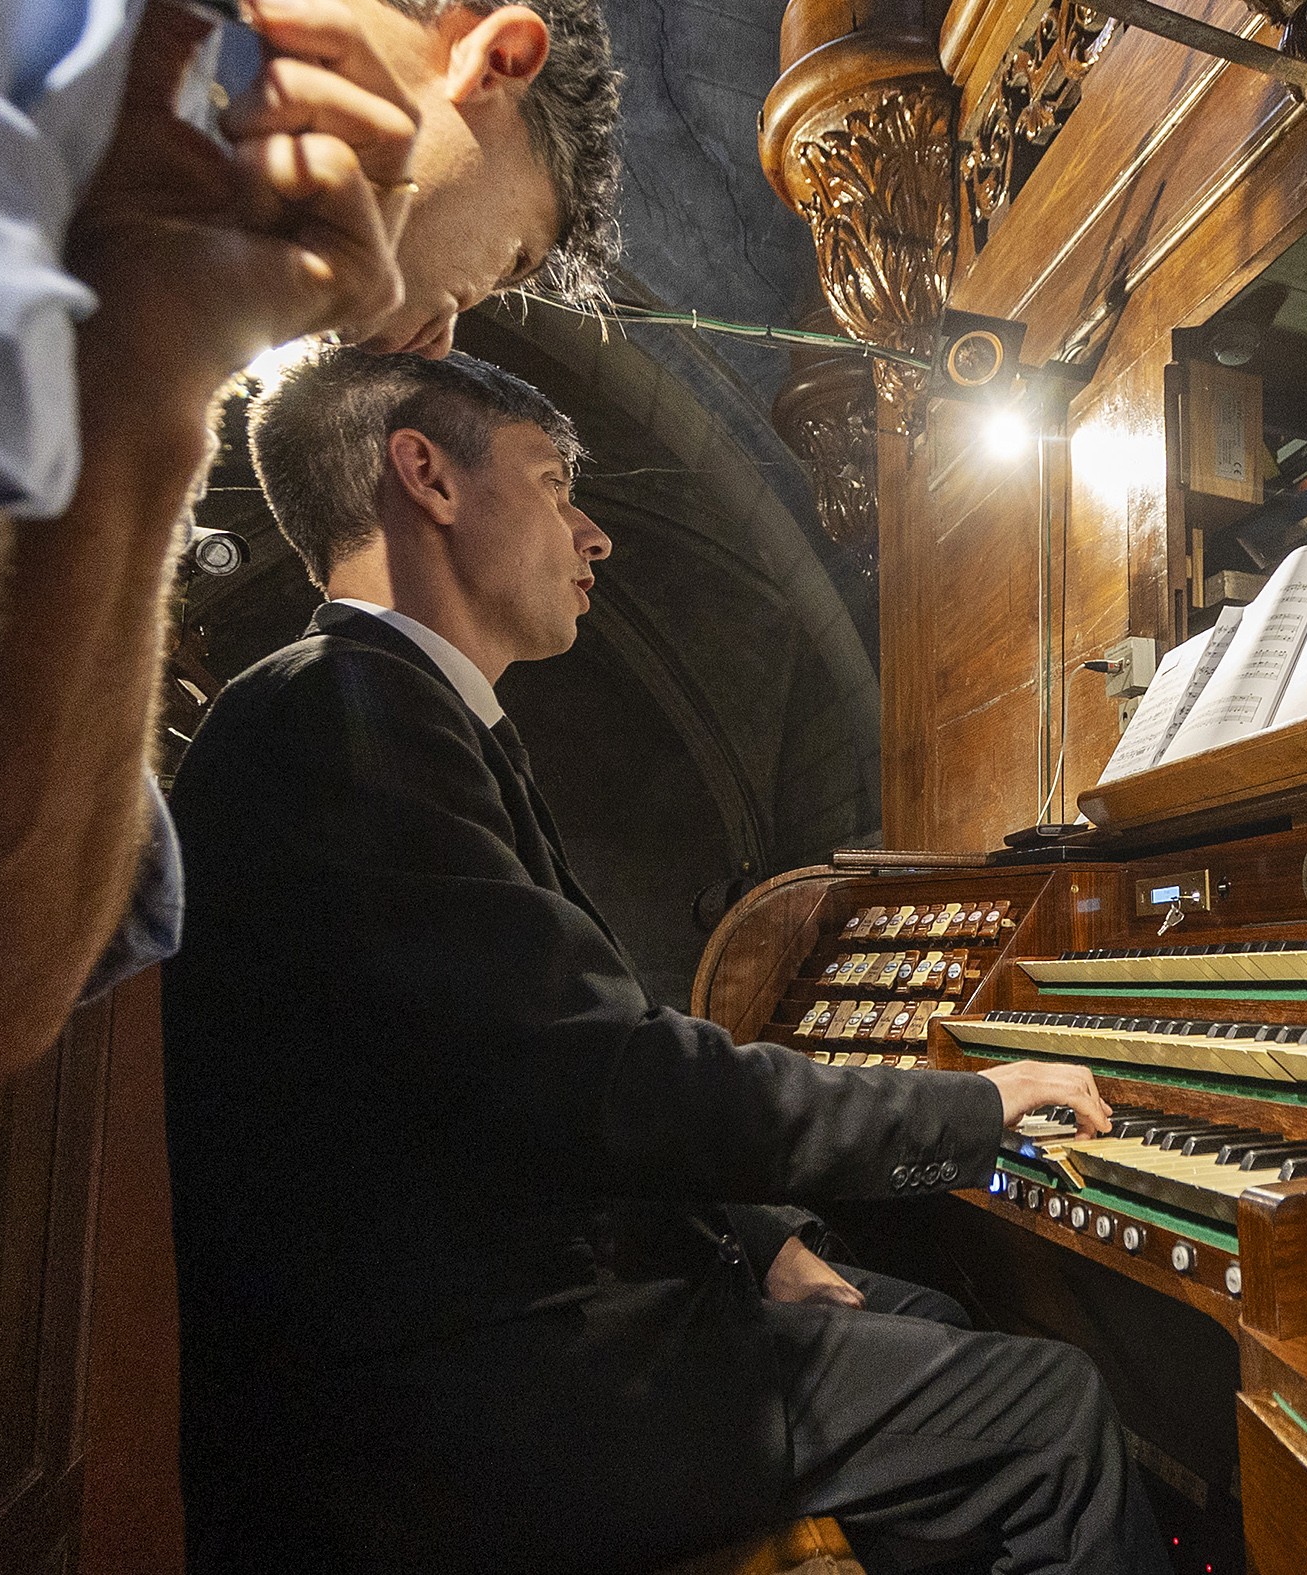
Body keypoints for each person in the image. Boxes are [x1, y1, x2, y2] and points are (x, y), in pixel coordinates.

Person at [161, 345, 1170, 1575]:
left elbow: (534, 1069)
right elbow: (600, 1079)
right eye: (551, 481)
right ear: (425, 477)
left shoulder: (371, 707)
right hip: (453, 1404)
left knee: (921, 1310)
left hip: (479, 1330)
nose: (594, 535)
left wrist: (758, 1238)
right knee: (1045, 1414)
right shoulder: (343, 718)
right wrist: (975, 1101)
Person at [0, 0, 619, 1104]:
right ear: (495, 58)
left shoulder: (166, 221)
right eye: (506, 262)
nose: (450, 329)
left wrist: (156, 387)